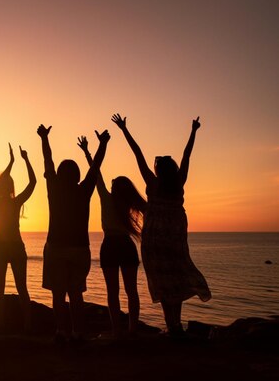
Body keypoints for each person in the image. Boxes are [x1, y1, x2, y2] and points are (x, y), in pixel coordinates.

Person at [112, 114, 211, 336]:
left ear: (159, 170)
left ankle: (172, 325)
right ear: (173, 169)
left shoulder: (153, 184)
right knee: (176, 277)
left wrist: (124, 130)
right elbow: (187, 155)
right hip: (175, 239)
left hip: (154, 240)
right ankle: (175, 324)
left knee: (163, 281)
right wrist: (193, 131)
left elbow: (137, 154)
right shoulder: (178, 183)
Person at [37, 124, 109, 343]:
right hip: (79, 248)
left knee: (58, 294)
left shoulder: (54, 189)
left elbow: (47, 161)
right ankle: (78, 332)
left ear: (59, 174)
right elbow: (95, 167)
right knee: (76, 294)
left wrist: (44, 139)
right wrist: (103, 144)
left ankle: (61, 331)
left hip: (56, 246)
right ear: (77, 175)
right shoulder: (83, 190)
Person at [78, 136, 145, 338]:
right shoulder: (126, 203)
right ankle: (132, 329)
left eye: (114, 182)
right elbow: (97, 174)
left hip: (111, 245)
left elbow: (96, 173)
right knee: (131, 291)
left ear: (116, 188)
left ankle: (117, 329)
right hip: (125, 244)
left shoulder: (107, 198)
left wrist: (87, 152)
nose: (111, 182)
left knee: (113, 292)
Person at [0, 144, 36, 331]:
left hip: (4, 248)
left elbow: (31, 184)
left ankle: (2, 323)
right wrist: (20, 160)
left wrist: (15, 161)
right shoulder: (13, 202)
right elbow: (32, 183)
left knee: (1, 289)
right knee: (20, 288)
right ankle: (27, 324)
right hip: (13, 248)